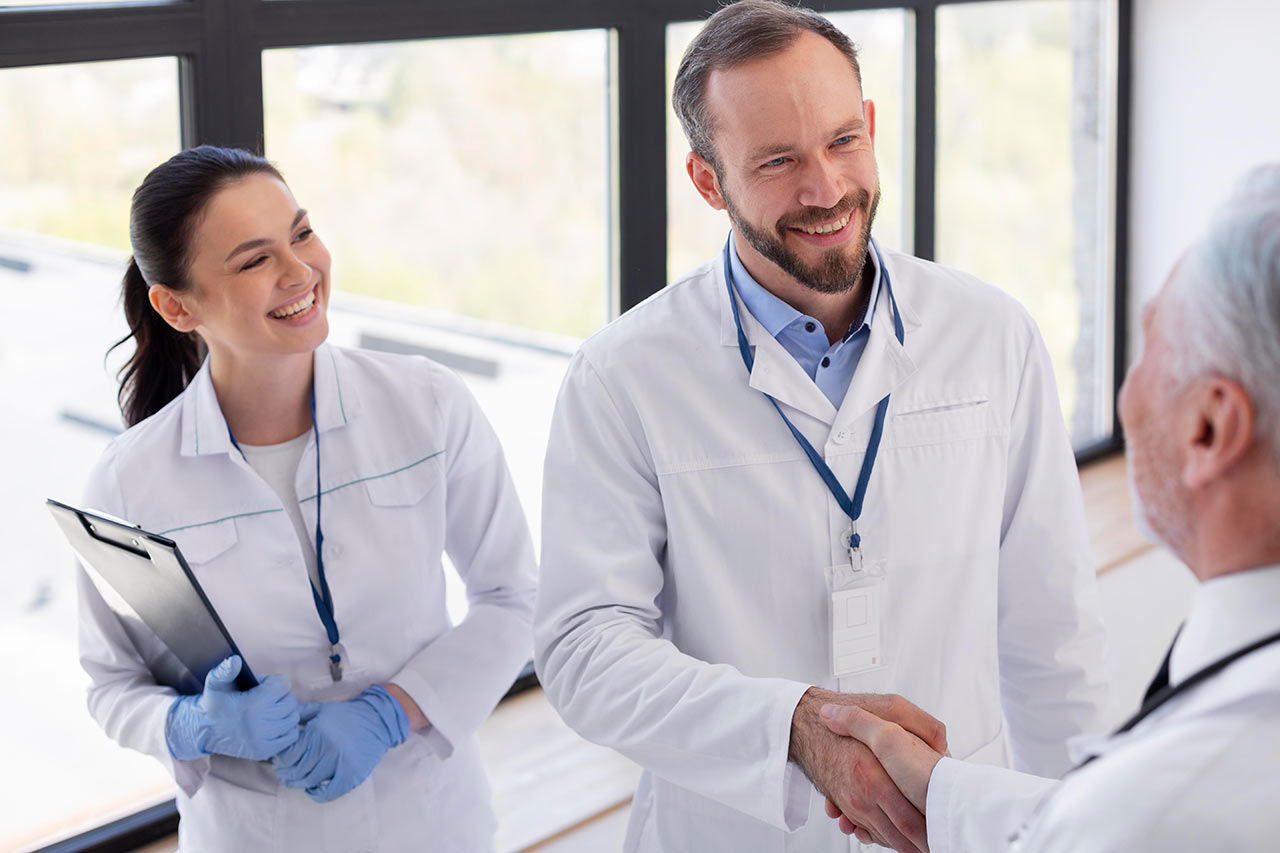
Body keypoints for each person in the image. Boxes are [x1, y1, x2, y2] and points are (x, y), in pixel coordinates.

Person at [533, 1, 1107, 851]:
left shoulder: (991, 337)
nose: (826, 188)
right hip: (733, 829)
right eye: (777, 161)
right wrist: (793, 728)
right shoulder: (624, 376)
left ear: (870, 124)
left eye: (843, 141)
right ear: (706, 179)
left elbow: (1050, 629)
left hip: (951, 825)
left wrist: (1079, 829)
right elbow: (586, 647)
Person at [76, 145, 536, 852]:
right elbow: (112, 683)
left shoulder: (427, 404)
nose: (300, 273)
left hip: (435, 826)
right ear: (175, 305)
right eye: (254, 260)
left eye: (301, 233)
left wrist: (392, 710)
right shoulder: (130, 480)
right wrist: (191, 725)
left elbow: (513, 596)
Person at [818, 164, 1280, 851]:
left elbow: (1116, 814)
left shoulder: (1155, 810)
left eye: (1150, 344)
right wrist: (946, 793)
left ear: (1209, 428)